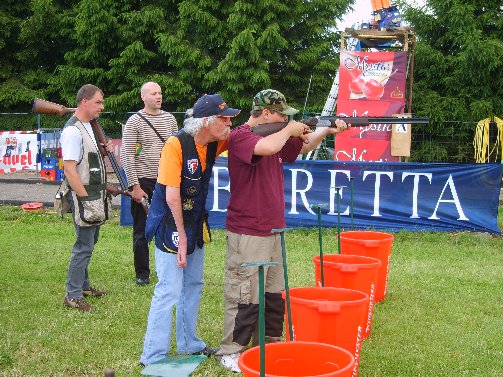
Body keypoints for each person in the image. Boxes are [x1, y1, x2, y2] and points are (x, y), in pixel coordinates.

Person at [217, 89, 350, 372]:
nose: (288, 119)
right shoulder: (241, 136)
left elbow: (301, 148)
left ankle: (267, 343)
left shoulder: (276, 137)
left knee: (272, 293)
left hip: (272, 226)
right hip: (248, 228)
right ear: (266, 114)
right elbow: (266, 148)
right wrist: (291, 128)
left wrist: (326, 129)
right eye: (282, 114)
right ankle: (231, 350)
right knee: (244, 293)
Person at [139, 94, 240, 365]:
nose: (229, 123)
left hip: (194, 219)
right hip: (171, 221)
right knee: (169, 288)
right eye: (224, 118)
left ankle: (189, 343)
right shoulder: (176, 144)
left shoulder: (214, 141)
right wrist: (182, 239)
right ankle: (152, 355)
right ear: (206, 122)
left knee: (193, 284)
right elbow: (172, 197)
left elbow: (250, 129)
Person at [60, 84, 113, 312]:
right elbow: (70, 170)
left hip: (94, 195)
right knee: (83, 246)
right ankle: (72, 295)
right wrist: (83, 200)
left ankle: (84, 286)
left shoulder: (88, 126)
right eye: (98, 102)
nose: (101, 107)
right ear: (84, 101)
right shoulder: (72, 131)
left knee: (90, 243)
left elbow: (88, 158)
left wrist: (104, 148)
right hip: (85, 196)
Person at [120, 82, 178, 286]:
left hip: (167, 180)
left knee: (169, 226)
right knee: (142, 230)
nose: (158, 96)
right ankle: (142, 273)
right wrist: (135, 186)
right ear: (143, 97)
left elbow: (176, 149)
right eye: (154, 93)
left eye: (160, 93)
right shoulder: (134, 121)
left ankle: (169, 269)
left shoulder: (170, 119)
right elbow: (127, 155)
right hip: (144, 181)